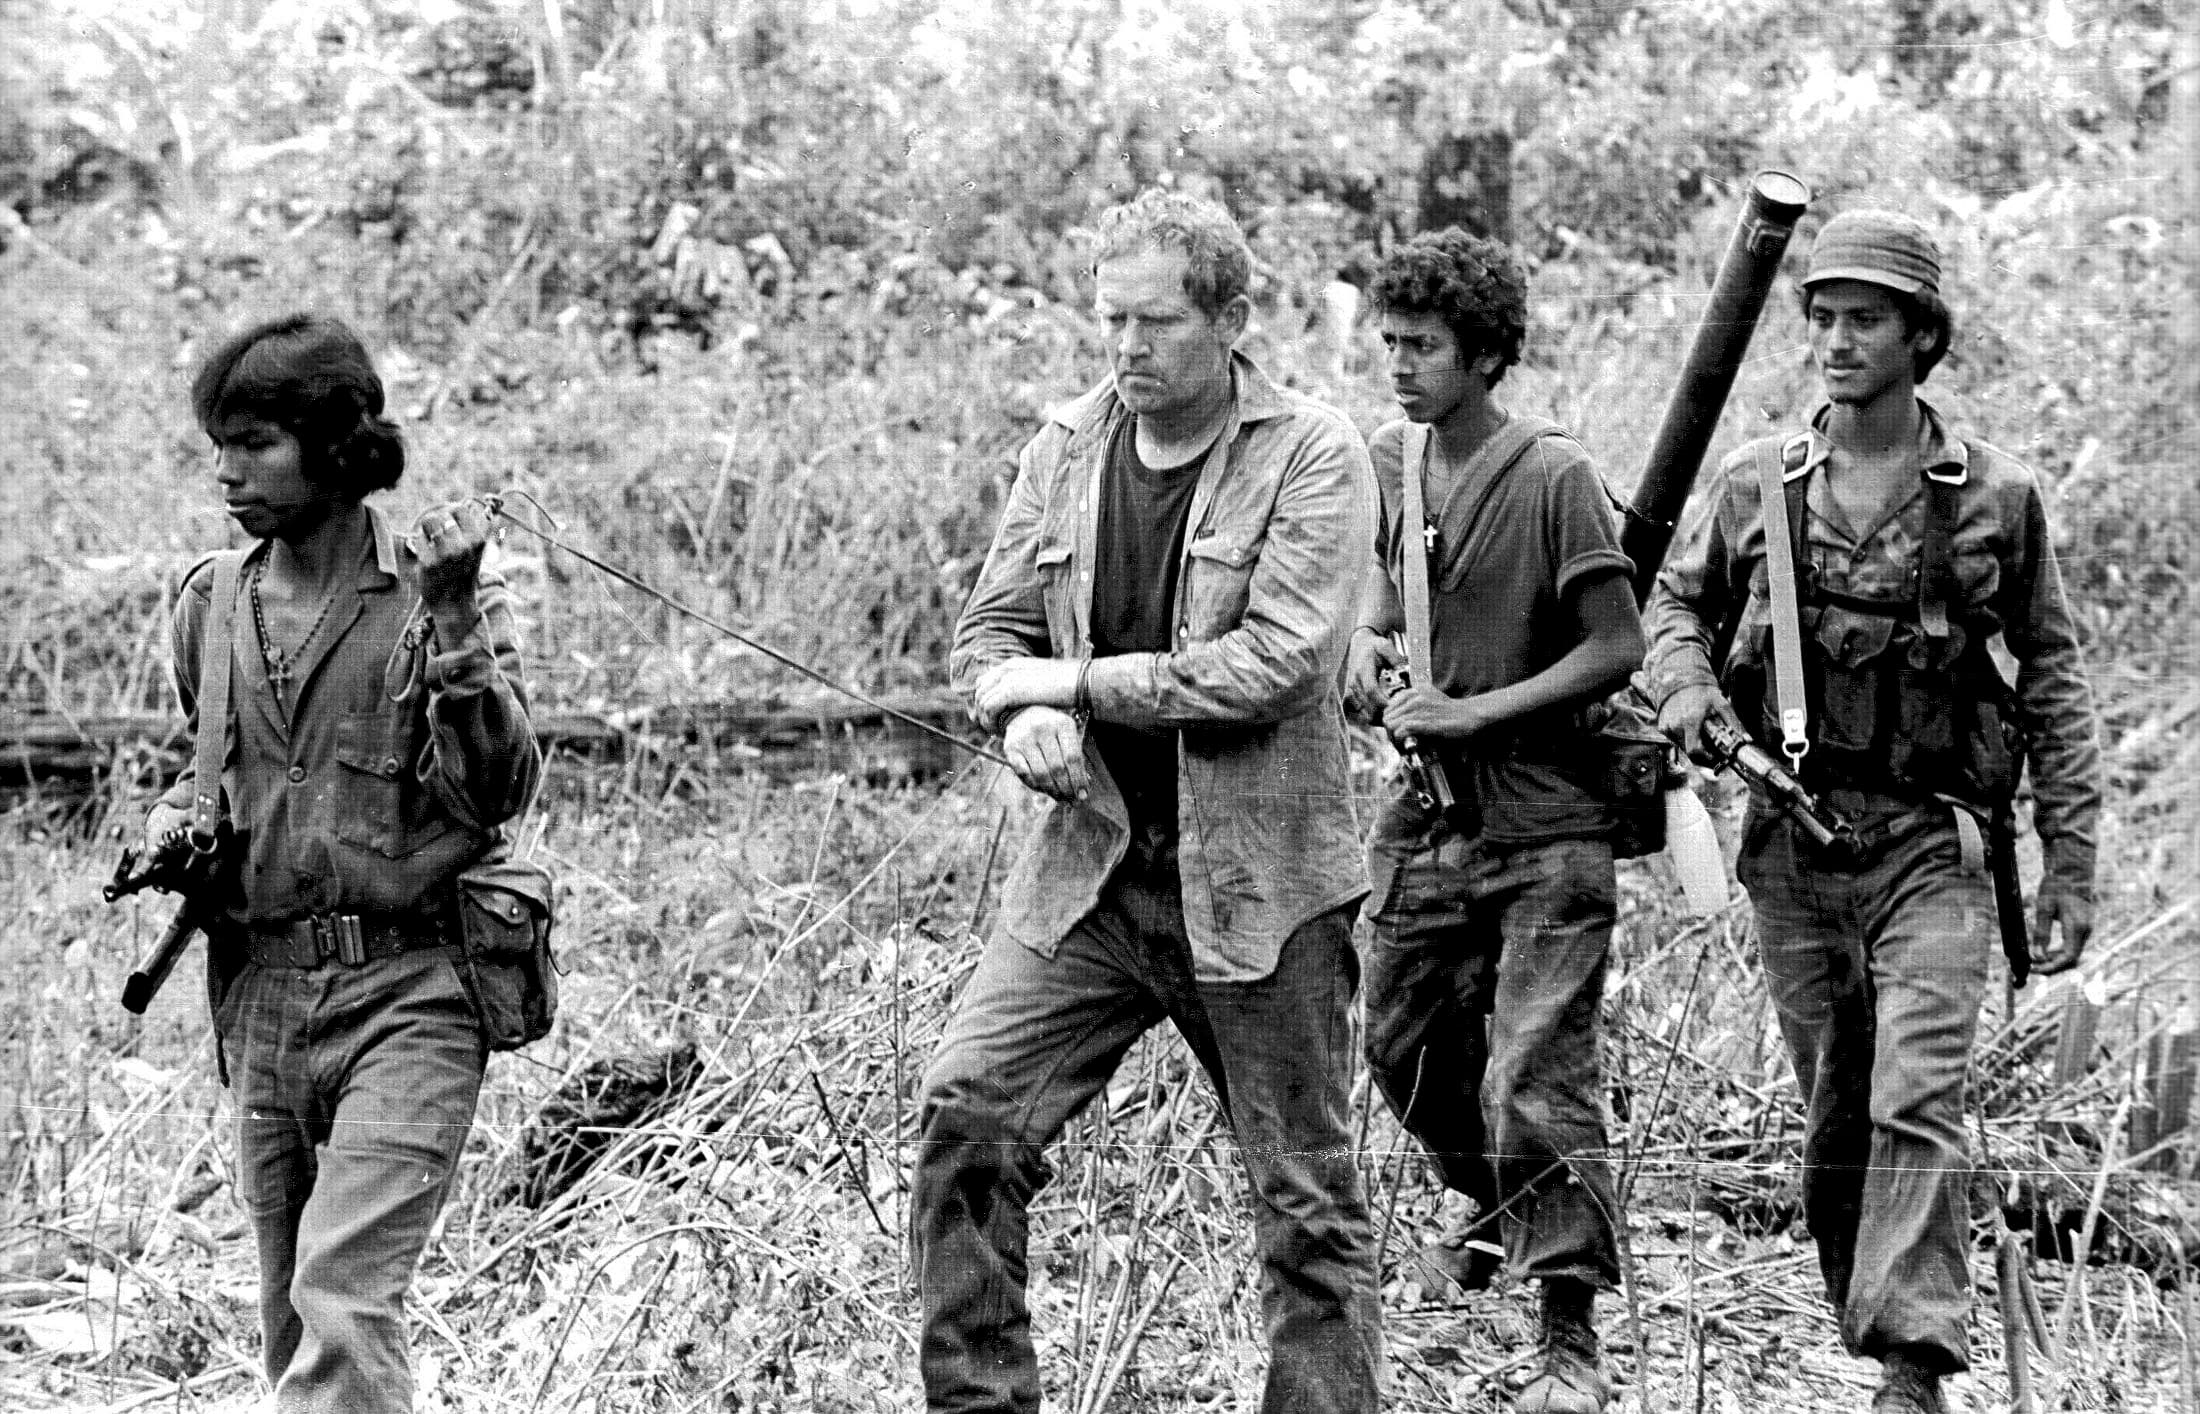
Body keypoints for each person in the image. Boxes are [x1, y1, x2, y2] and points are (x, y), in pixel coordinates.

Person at [917, 189, 1381, 1414]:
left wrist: (1068, 682)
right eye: (1109, 318)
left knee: (1305, 1202)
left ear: (1232, 320)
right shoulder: (1064, 447)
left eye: (1156, 322)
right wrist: (1018, 715)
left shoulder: (1313, 455)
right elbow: (988, 635)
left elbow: (1275, 665)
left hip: (1260, 893)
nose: (1125, 347)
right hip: (1094, 881)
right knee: (970, 1112)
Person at [1644, 210, 2101, 1414]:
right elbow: (1671, 610)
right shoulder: (1756, 484)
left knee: (1916, 1089)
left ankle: (1913, 1361)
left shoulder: (1999, 496)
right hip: (1792, 843)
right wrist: (1688, 687)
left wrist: (2072, 866)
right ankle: (1875, 1312)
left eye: (1866, 319)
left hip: (1932, 842)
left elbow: (2053, 680)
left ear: (1921, 337)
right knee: (1839, 1102)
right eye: (1823, 318)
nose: (1838, 341)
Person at [140, 313, 540, 1413]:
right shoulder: (211, 602)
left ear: (334, 447)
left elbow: (499, 792)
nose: (228, 471)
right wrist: (181, 823)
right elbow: (212, 766)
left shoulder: (438, 597)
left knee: (341, 1299)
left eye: (258, 442)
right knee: (290, 1317)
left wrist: (455, 619)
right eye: (220, 443)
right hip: (262, 998)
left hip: (412, 992)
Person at [1342, 228, 1644, 1414]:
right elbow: (1384, 583)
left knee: (1535, 1073)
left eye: (1422, 347)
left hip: (1544, 823)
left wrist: (1474, 713)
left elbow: (1615, 647)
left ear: (1483, 354)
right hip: (1423, 820)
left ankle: (1568, 1328)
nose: (1399, 365)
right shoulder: (1389, 458)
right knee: (1397, 1047)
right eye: (1390, 343)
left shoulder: (1553, 476)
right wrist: (1370, 645)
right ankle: (1501, 1205)